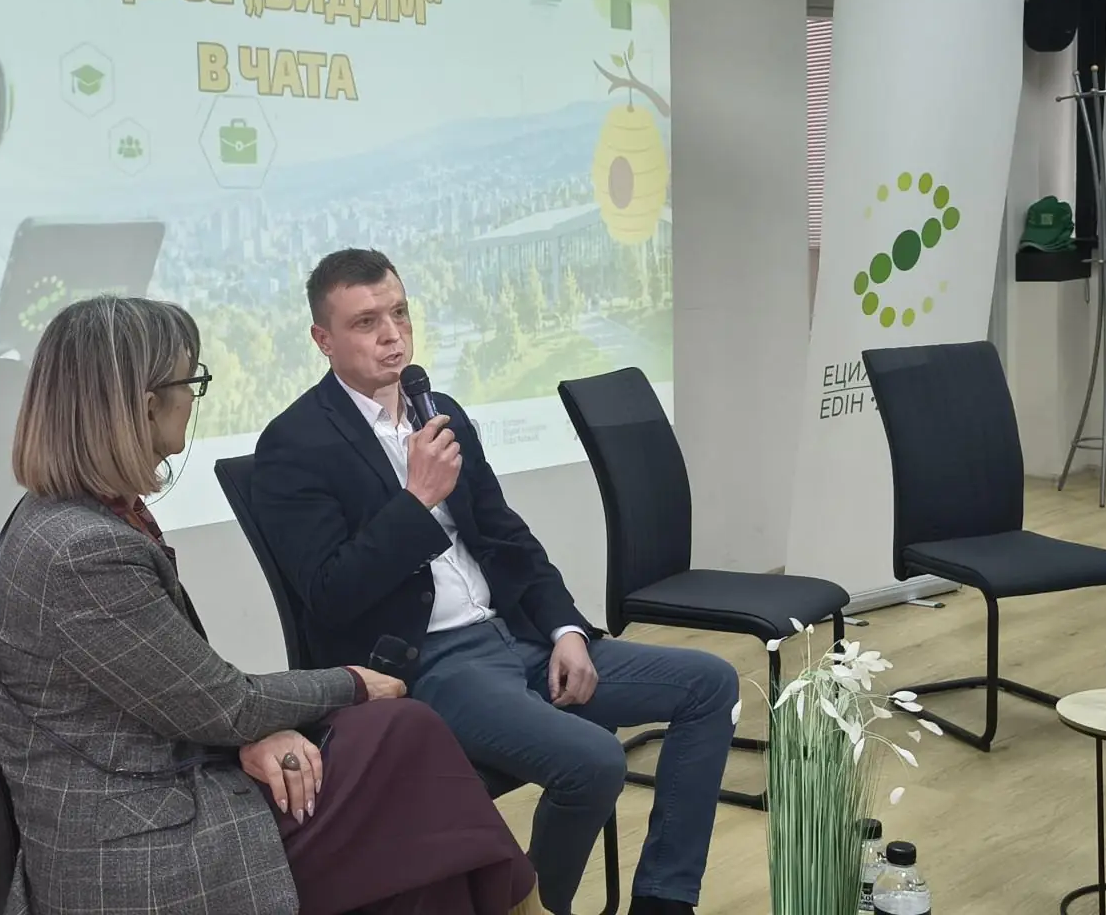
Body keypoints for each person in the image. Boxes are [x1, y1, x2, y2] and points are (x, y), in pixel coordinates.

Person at [0, 295, 544, 915]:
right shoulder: (83, 552)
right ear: (145, 404)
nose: (194, 398)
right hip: (147, 849)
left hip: (168, 771)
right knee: (406, 754)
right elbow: (225, 703)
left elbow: (184, 693)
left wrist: (250, 734)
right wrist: (352, 682)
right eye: (190, 382)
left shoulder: (72, 518)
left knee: (410, 775)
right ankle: (519, 901)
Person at [250, 250, 740, 915]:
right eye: (366, 323)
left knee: (710, 684)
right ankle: (537, 906)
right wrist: (416, 502)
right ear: (322, 339)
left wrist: (566, 629)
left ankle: (663, 901)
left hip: (519, 635)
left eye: (399, 313)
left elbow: (507, 538)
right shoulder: (294, 445)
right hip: (432, 663)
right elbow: (330, 595)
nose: (392, 334)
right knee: (595, 761)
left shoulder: (438, 410)